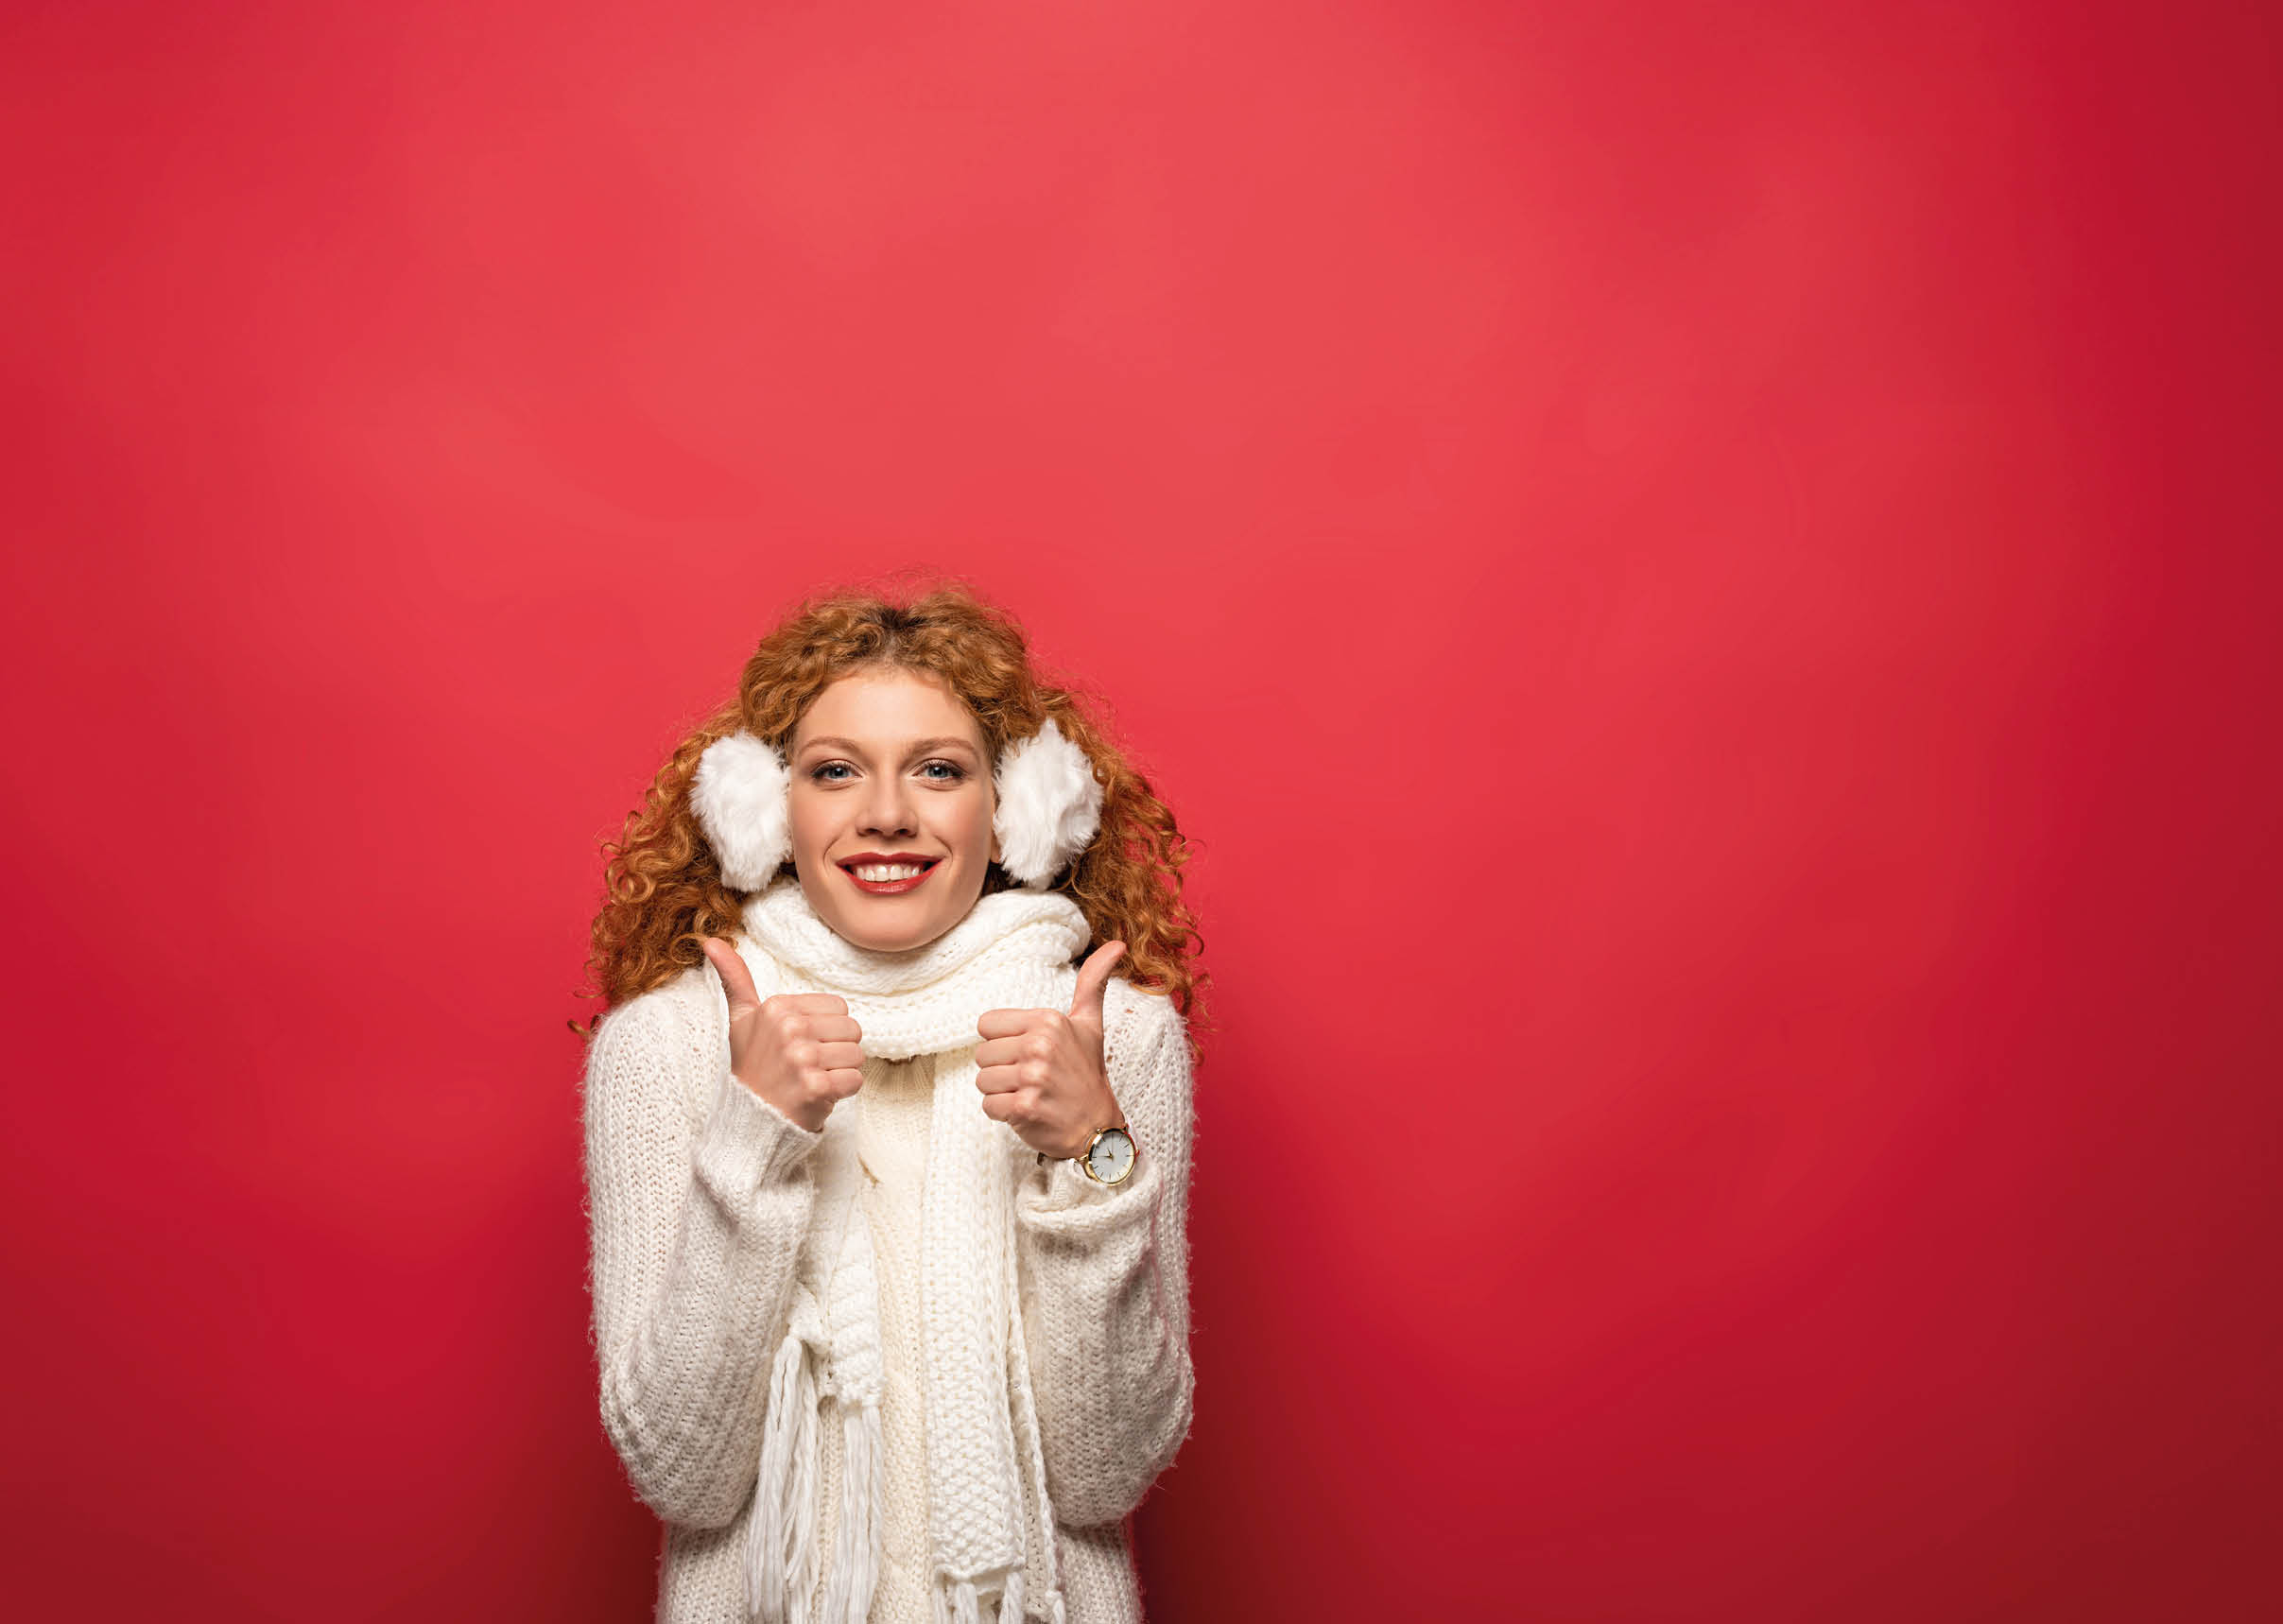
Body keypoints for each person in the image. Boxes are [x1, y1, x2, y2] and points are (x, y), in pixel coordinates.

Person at [577, 580, 1206, 1624]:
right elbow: (681, 1472)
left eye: (939, 769)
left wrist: (1094, 1151)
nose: (885, 813)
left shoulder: (1110, 1040)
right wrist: (753, 1139)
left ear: (1016, 804)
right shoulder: (670, 1047)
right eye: (835, 771)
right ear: (764, 806)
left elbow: (1108, 1473)